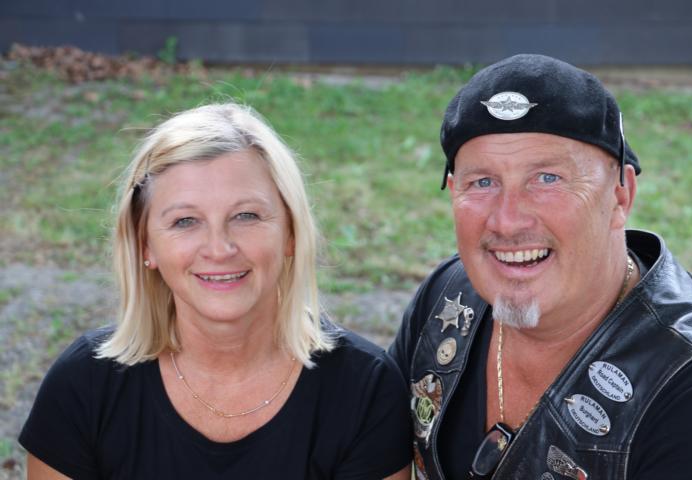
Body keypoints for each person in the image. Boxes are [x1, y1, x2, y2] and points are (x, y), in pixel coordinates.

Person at [20, 103, 412, 479]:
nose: (219, 249)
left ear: (291, 232)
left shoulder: (365, 389)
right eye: (185, 221)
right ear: (144, 245)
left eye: (246, 215)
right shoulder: (84, 385)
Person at [389, 54, 692, 479]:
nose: (508, 221)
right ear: (454, 192)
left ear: (620, 195)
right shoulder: (447, 296)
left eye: (547, 179)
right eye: (483, 182)